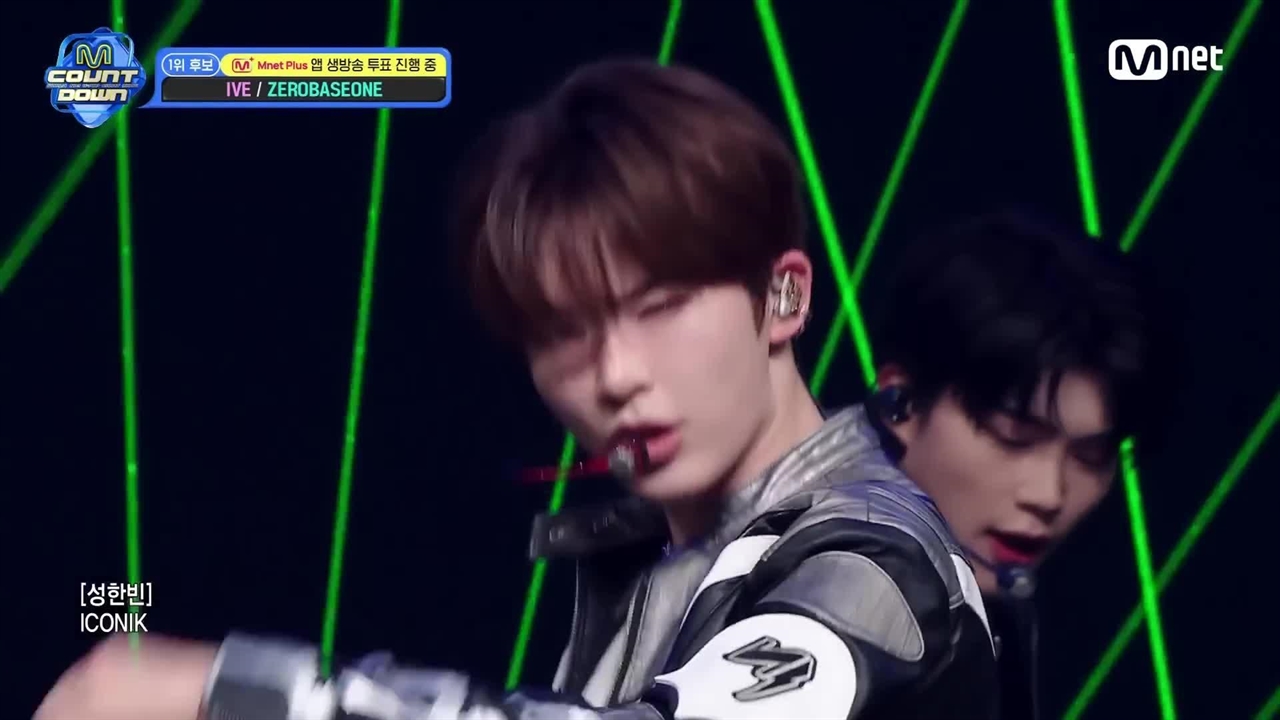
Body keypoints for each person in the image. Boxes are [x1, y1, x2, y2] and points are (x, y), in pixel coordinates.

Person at [35, 58, 1000, 720]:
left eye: (660, 306)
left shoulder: (874, 557)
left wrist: (230, 690)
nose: (615, 377)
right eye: (564, 333)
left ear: (783, 296)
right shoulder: (659, 562)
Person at [864, 211, 1170, 719]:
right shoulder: (817, 585)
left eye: (1091, 455)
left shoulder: (987, 607)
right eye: (1015, 437)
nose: (1049, 495)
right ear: (901, 402)